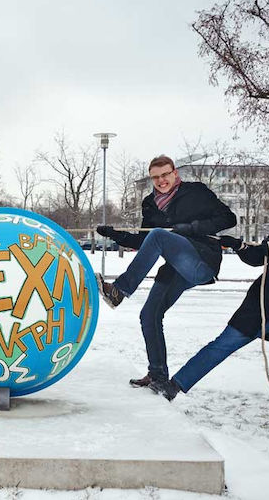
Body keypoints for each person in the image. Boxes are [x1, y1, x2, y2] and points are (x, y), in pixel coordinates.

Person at [155, 198, 269, 419]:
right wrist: (239, 246)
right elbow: (259, 257)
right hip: (260, 309)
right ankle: (174, 386)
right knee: (220, 347)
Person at [96, 155, 236, 392]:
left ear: (175, 174)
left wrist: (191, 228)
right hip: (174, 267)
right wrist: (116, 235)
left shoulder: (196, 192)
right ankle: (158, 376)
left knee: (160, 235)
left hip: (201, 259)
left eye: (165, 175)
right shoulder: (150, 204)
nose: (161, 180)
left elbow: (228, 218)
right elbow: (145, 240)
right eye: (156, 177)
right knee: (149, 314)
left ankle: (119, 290)